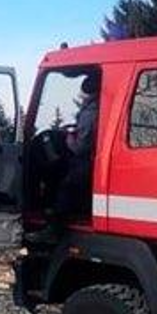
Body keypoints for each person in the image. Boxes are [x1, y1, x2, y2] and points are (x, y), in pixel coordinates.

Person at [56, 74, 99, 220]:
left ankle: (55, 228)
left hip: (87, 161)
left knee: (66, 186)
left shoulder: (90, 112)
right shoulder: (99, 107)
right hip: (95, 159)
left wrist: (68, 138)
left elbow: (80, 147)